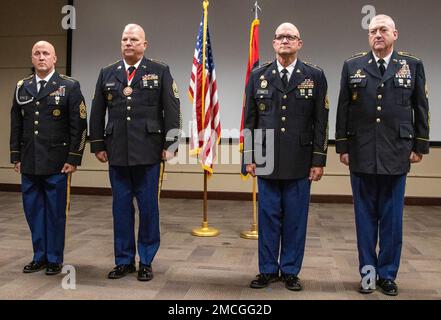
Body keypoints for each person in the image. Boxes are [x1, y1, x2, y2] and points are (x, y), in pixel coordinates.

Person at [335, 15, 430, 296]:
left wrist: (420, 145)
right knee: (364, 220)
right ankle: (367, 275)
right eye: (373, 30)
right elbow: (343, 109)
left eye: (383, 30)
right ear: (368, 36)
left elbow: (421, 107)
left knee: (391, 220)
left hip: (396, 152)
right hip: (361, 152)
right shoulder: (353, 65)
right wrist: (342, 147)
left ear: (395, 34)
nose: (377, 34)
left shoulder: (411, 65)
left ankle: (387, 275)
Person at [89, 24, 181, 281]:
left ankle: (147, 260)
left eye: (134, 39)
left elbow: (172, 109)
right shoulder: (107, 72)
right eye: (124, 39)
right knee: (120, 208)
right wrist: (97, 144)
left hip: (149, 152)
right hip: (117, 150)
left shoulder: (159, 70)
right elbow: (97, 111)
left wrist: (171, 145)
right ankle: (124, 260)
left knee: (148, 208)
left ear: (144, 44)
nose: (128, 43)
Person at [243, 22, 329, 291]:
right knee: (268, 218)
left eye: (290, 37)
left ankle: (291, 270)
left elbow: (320, 122)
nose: (285, 41)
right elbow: (250, 119)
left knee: (294, 219)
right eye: (280, 37)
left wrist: (318, 160)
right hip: (266, 159)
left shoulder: (314, 75)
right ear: (273, 43)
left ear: (299, 43)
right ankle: (268, 270)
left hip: (300, 160)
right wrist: (249, 156)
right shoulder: (259, 75)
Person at [10, 41, 87, 275]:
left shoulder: (69, 86)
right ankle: (39, 255)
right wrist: (16, 155)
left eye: (46, 54)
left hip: (57, 162)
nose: (41, 57)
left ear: (55, 59)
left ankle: (54, 258)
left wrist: (73, 158)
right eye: (37, 53)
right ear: (32, 59)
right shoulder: (22, 86)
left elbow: (80, 126)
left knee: (54, 213)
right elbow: (16, 123)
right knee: (33, 211)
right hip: (30, 160)